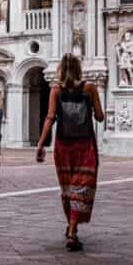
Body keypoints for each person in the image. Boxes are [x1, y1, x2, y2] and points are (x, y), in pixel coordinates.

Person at [35, 53, 105, 252]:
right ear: (79, 69)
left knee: (67, 189)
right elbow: (100, 117)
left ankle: (71, 227)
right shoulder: (89, 88)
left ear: (60, 70)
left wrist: (40, 144)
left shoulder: (56, 90)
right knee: (82, 187)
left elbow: (49, 117)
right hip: (85, 146)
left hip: (63, 146)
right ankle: (73, 232)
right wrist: (91, 106)